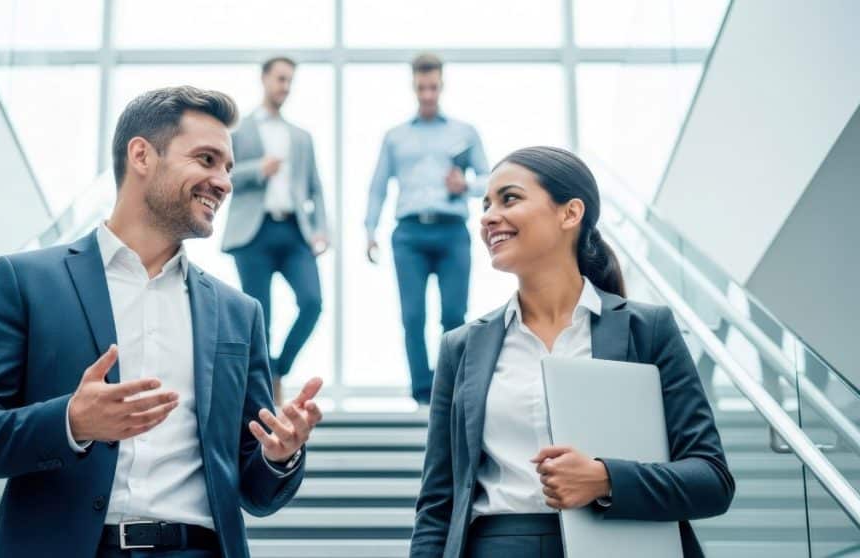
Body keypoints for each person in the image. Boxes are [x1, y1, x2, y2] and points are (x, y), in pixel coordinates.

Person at [0, 86, 325, 558]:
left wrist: (279, 455)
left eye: (227, 167)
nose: (224, 182)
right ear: (142, 155)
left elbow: (256, 491)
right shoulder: (25, 281)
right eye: (206, 160)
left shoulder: (239, 314)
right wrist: (71, 421)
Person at [410, 146, 735, 558]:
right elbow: (437, 507)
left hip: (620, 544)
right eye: (486, 204)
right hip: (496, 546)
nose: (489, 217)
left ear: (570, 213)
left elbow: (711, 479)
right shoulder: (461, 348)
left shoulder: (647, 329)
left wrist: (605, 479)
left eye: (509, 199)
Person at [365, 53, 489, 405]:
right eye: (422, 87)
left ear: (442, 84)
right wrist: (370, 229)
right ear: (414, 86)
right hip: (409, 235)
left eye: (433, 86)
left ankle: (449, 389)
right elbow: (378, 186)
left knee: (453, 314)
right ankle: (423, 393)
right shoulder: (395, 137)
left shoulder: (465, 132)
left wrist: (464, 185)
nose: (428, 94)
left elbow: (490, 179)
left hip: (452, 232)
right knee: (413, 315)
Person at [223, 56, 329, 405]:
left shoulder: (301, 136)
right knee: (260, 318)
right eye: (280, 79)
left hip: (294, 231)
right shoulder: (239, 132)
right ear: (264, 79)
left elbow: (315, 187)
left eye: (289, 81)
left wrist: (321, 230)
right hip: (253, 234)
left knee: (312, 301)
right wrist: (258, 169)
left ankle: (277, 368)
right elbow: (223, 175)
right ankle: (261, 394)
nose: (284, 86)